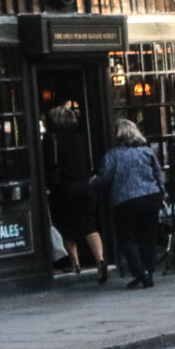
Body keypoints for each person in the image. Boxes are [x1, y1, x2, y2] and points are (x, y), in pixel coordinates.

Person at [94, 119, 165, 289]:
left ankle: (141, 273)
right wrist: (162, 194)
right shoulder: (146, 152)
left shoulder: (113, 155)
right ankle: (147, 272)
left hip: (125, 201)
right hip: (150, 197)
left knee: (127, 239)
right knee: (147, 238)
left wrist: (92, 182)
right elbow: (158, 174)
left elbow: (104, 179)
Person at [43, 104, 107, 283]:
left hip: (63, 188)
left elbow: (47, 165)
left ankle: (75, 263)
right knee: (89, 226)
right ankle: (100, 260)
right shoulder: (83, 138)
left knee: (66, 226)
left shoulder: (51, 139)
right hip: (86, 186)